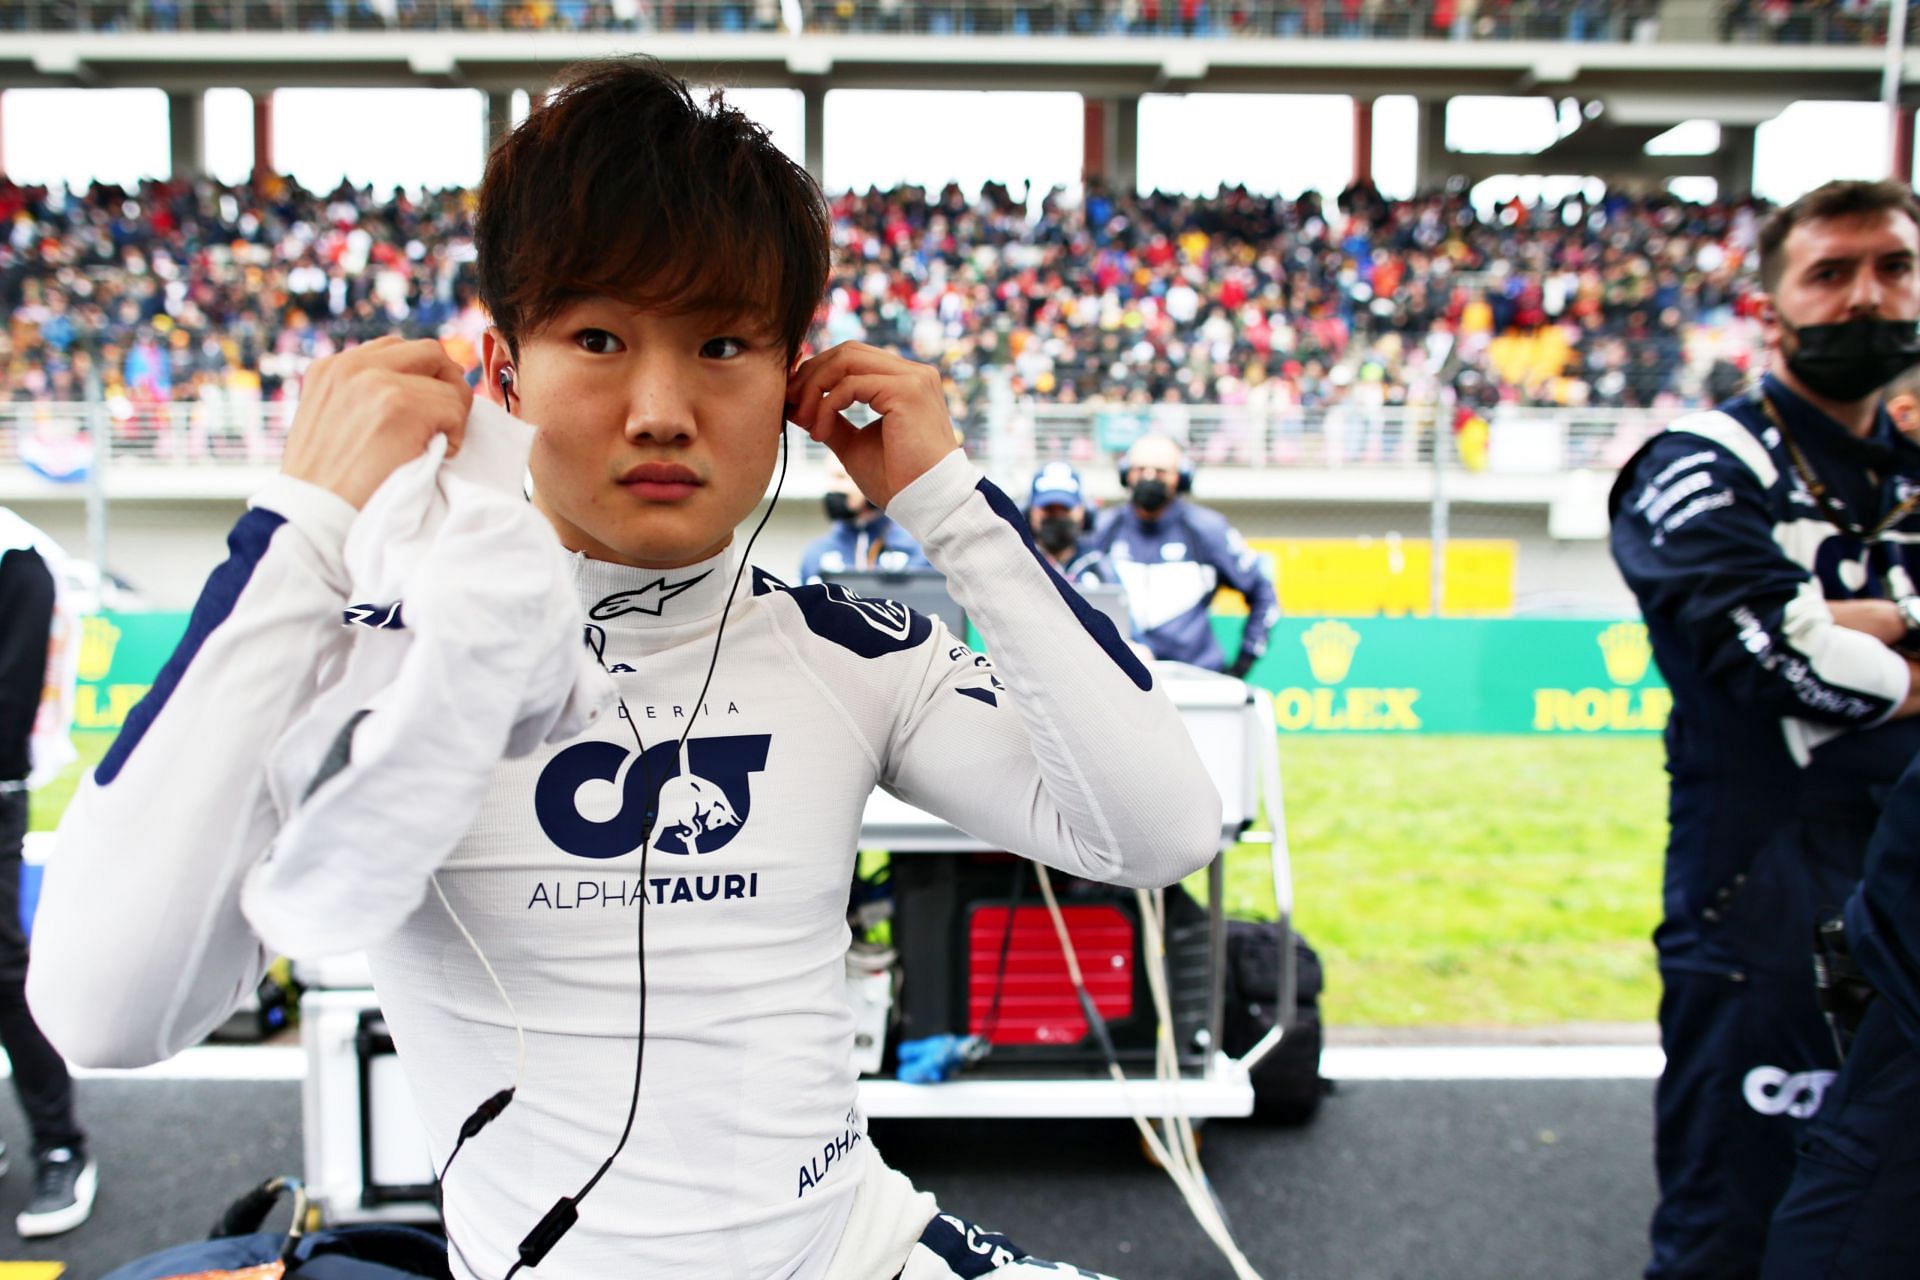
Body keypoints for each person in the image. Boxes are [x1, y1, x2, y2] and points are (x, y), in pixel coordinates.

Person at [27, 58, 1221, 1280]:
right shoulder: (377, 664)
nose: (661, 407)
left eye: (721, 344)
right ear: (502, 375)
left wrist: (949, 501)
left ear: (794, 382)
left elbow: (1160, 830)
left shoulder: (855, 650)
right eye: (597, 336)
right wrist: (300, 523)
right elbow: (103, 1011)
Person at [1608, 178, 1920, 1280]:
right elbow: (1764, 653)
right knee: (1738, 1220)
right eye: (1831, 273)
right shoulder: (1701, 458)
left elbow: (1803, 636)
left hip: (1908, 880)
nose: (1866, 297)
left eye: (1893, 267)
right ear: (1773, 305)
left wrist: (1854, 622)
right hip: (1763, 891)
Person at [0, 522, 95, 1239]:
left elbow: (13, 700)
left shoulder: (17, 557)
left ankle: (60, 1145)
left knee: (4, 969)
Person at [1085, 433, 1278, 677]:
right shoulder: (1102, 529)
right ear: (1126, 473)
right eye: (1141, 469)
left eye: (1160, 471)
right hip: (1122, 681)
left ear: (1181, 477)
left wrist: (1243, 662)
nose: (1149, 477)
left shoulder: (1208, 530)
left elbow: (1263, 592)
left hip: (1194, 679)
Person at [798, 453, 932, 582]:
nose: (832, 487)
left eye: (841, 477)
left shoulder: (915, 549)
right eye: (830, 477)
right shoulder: (816, 554)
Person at [1026, 461, 1116, 588]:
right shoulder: (1018, 564)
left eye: (1064, 509)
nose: (1057, 516)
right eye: (1049, 509)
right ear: (1030, 512)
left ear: (1082, 511)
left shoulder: (1099, 565)